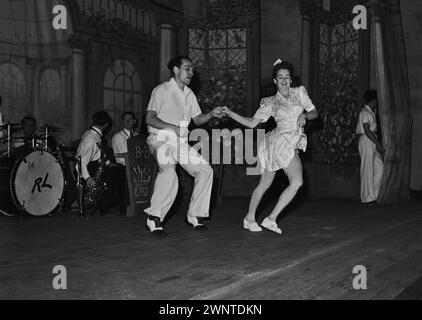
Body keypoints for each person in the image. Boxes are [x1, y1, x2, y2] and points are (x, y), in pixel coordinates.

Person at [221, 59, 318, 234]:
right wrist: (230, 113)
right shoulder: (270, 102)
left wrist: (305, 115)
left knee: (283, 183)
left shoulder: (300, 92)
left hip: (286, 142)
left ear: (291, 79)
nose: (284, 80)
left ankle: (259, 218)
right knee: (284, 183)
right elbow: (252, 123)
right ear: (275, 80)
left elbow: (314, 112)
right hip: (279, 143)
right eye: (280, 77)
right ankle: (261, 219)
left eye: (287, 77)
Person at [144, 55, 222, 236]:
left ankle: (194, 215)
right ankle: (154, 217)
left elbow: (197, 119)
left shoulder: (189, 94)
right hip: (160, 138)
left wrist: (211, 114)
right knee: (169, 171)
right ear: (176, 70)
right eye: (187, 68)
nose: (191, 73)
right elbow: (150, 118)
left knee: (205, 171)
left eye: (192, 69)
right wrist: (172, 127)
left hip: (180, 142)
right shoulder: (161, 90)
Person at [75, 111, 122, 215]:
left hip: (94, 163)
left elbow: (99, 152)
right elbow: (80, 163)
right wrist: (88, 178)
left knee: (118, 169)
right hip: (88, 168)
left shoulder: (94, 134)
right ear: (106, 125)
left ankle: (109, 205)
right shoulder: (91, 139)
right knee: (117, 174)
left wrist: (109, 162)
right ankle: (108, 206)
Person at [356, 89, 384, 204]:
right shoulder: (365, 112)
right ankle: (367, 197)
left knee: (380, 167)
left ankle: (374, 194)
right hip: (367, 140)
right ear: (374, 100)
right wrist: (378, 144)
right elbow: (367, 131)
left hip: (371, 140)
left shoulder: (370, 112)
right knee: (367, 168)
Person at [111, 111, 137, 215]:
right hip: (122, 166)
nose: (127, 121)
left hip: (134, 166)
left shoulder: (137, 136)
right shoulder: (118, 136)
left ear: (134, 121)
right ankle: (126, 206)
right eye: (125, 119)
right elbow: (120, 156)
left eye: (130, 119)